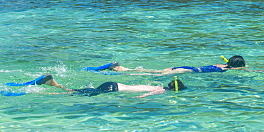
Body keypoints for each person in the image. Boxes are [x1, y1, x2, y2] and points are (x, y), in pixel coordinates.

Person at [14, 74, 185, 98]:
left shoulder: (155, 84)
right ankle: (50, 88)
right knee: (76, 94)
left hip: (114, 84)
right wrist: (135, 100)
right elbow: (145, 95)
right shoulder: (161, 90)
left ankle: (54, 85)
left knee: (82, 91)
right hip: (113, 89)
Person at [89, 55, 247, 75]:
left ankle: (118, 68)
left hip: (186, 66)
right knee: (151, 74)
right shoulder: (225, 69)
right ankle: (118, 72)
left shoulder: (220, 65)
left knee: (155, 71)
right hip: (186, 71)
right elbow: (243, 69)